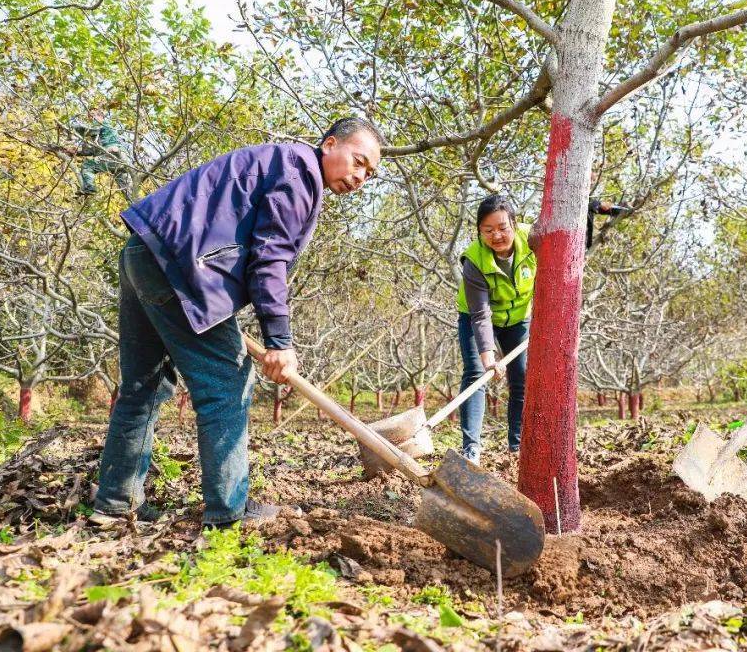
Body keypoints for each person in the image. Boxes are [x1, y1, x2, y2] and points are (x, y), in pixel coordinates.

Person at [92, 117, 384, 527]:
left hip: (144, 254)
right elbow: (269, 261)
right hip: (182, 270)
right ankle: (228, 512)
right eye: (357, 161)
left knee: (145, 385)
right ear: (330, 144)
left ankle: (114, 503)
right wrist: (279, 341)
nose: (360, 177)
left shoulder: (282, 164)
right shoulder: (299, 173)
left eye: (369, 173)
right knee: (229, 383)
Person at [455, 194, 536, 464]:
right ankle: (472, 450)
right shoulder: (474, 260)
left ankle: (517, 445)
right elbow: (480, 313)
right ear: (479, 232)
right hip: (477, 317)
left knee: (521, 377)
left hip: (517, 317)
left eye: (503, 227)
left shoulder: (533, 239)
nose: (497, 235)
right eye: (488, 230)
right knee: (477, 374)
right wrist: (489, 358)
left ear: (514, 223)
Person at [72, 107, 130, 197]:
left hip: (113, 155)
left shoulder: (102, 123)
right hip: (120, 160)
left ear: (101, 116)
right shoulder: (100, 135)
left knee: (87, 165)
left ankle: (90, 188)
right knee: (127, 190)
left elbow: (88, 131)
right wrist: (76, 151)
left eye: (93, 115)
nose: (91, 118)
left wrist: (72, 126)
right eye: (90, 117)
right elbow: (95, 150)